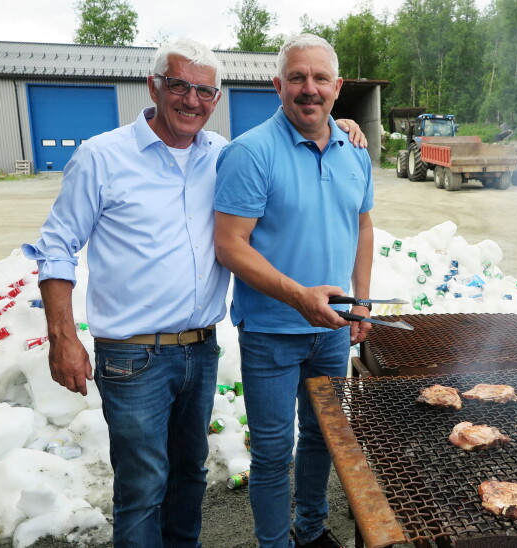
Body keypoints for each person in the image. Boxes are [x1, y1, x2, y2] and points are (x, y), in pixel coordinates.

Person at [22, 37, 365, 548]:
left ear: (218, 98)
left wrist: (345, 129)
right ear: (154, 86)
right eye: (179, 85)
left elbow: (319, 166)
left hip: (199, 348)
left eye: (205, 91)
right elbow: (56, 247)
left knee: (190, 476)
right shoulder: (103, 156)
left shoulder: (221, 154)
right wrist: (62, 335)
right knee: (142, 488)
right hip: (131, 355)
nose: (191, 100)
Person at [213, 33, 374, 548]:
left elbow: (364, 226)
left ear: (337, 87)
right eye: (297, 78)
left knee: (322, 442)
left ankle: (310, 530)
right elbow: (230, 246)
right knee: (273, 452)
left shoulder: (354, 150)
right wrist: (298, 296)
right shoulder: (251, 152)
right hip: (271, 333)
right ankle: (274, 543)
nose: (310, 89)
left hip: (331, 329)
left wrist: (362, 301)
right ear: (277, 86)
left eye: (320, 78)